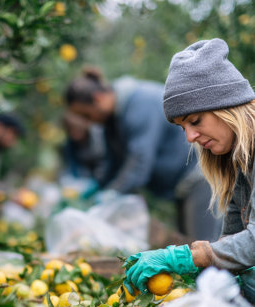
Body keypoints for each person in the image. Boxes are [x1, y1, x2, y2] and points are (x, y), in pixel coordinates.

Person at [124, 38, 255, 303]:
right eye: (182, 127)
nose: (190, 137)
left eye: (195, 121)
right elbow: (233, 234)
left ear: (228, 106)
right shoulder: (242, 161)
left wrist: (185, 257)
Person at [64, 67, 222, 242]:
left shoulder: (141, 103)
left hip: (198, 177)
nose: (89, 122)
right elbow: (114, 163)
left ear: (98, 99)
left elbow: (139, 162)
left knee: (206, 248)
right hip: (179, 187)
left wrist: (112, 194)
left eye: (86, 115)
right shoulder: (112, 120)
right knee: (192, 248)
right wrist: (98, 188)